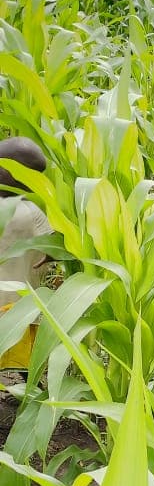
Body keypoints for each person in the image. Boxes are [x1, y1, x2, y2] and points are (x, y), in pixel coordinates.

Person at [0, 137, 52, 378]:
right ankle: (31, 390)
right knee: (21, 357)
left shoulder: (25, 214)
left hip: (12, 303)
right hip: (19, 306)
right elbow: (55, 246)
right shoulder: (34, 212)